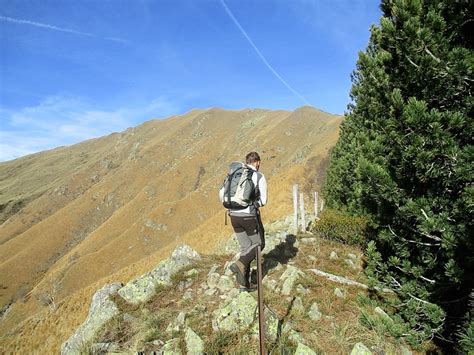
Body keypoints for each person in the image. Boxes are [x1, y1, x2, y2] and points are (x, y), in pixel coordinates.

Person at [221, 151, 267, 289]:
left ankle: (244, 285)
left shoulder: (235, 173)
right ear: (257, 162)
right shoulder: (258, 176)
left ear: (246, 162)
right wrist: (253, 204)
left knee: (245, 247)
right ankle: (241, 263)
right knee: (259, 244)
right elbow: (264, 200)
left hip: (233, 216)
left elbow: (222, 194)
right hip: (248, 216)